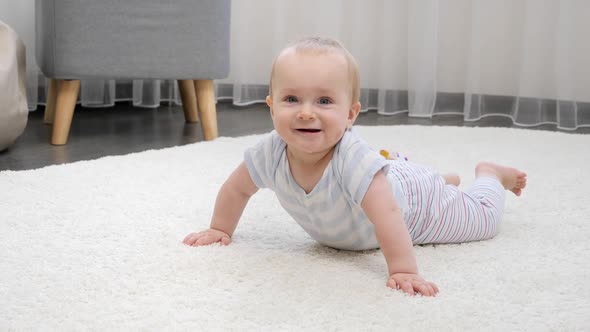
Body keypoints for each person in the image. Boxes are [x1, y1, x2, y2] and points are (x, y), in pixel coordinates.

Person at [183, 37, 527, 297]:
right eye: (291, 99)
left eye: (324, 101)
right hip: (390, 177)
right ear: (271, 107)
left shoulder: (352, 160)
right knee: (398, 175)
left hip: (416, 209)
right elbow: (237, 188)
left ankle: (489, 176)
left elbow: (389, 216)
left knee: (484, 220)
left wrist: (404, 270)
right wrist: (220, 229)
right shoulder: (269, 153)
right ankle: (441, 178)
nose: (306, 112)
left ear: (350, 114)